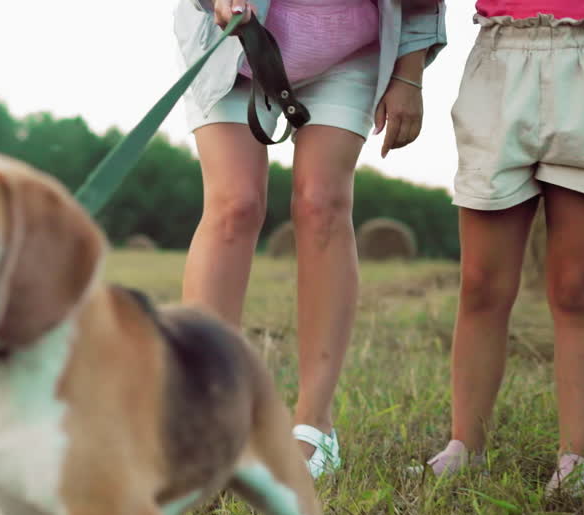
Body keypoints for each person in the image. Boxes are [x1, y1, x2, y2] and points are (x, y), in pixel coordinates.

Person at [173, 0, 447, 478]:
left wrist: (409, 75)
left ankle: (314, 423)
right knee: (234, 205)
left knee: (322, 205)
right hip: (235, 40)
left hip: (351, 48)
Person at [414, 2, 584, 494]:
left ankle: (575, 460)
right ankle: (466, 446)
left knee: (576, 288)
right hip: (500, 57)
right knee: (481, 284)